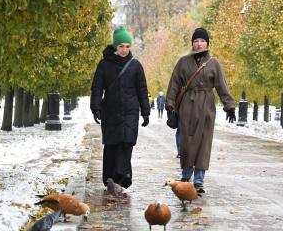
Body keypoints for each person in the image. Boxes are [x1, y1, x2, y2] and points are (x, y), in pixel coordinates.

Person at [166, 27, 236, 194]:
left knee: (203, 144)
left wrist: (229, 106)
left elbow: (221, 85)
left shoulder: (214, 63)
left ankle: (198, 181)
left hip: (206, 108)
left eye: (202, 41)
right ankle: (186, 175)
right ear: (192, 43)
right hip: (187, 107)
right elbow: (174, 83)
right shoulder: (183, 62)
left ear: (207, 43)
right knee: (186, 143)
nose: (199, 44)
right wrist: (170, 103)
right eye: (196, 41)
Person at [90, 26, 150, 189]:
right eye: (121, 46)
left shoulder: (135, 65)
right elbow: (97, 87)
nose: (124, 50)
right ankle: (110, 178)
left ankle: (123, 176)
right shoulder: (104, 65)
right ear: (115, 46)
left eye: (127, 46)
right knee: (111, 145)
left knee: (126, 143)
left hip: (130, 112)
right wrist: (95, 107)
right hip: (110, 111)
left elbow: (142, 90)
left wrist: (145, 112)